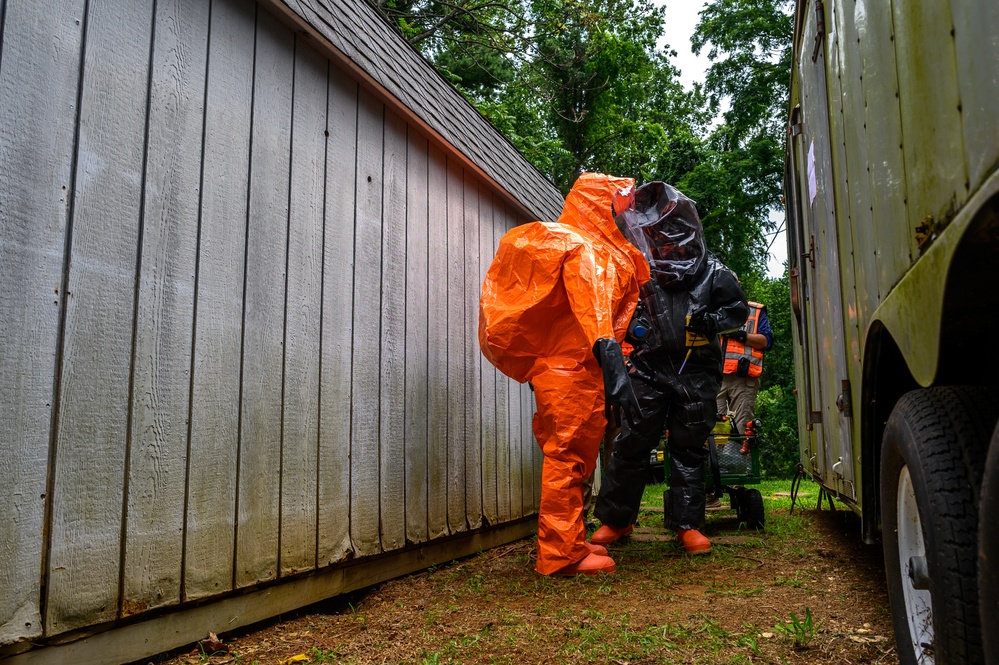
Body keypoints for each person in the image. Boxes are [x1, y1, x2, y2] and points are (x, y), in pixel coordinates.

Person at [479, 172, 650, 576]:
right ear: (600, 206)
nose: (626, 219)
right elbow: (593, 311)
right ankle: (560, 554)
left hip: (575, 368)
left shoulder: (590, 248)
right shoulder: (582, 248)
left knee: (576, 458)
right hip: (571, 369)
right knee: (567, 457)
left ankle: (569, 539)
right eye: (619, 209)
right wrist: (616, 370)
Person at [589, 181, 748, 555]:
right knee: (631, 443)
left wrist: (712, 320)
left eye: (670, 232)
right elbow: (619, 311)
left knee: (689, 448)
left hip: (696, 368)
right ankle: (617, 519)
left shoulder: (712, 270)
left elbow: (737, 311)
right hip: (649, 366)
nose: (665, 241)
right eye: (657, 234)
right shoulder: (639, 269)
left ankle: (688, 524)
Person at [716, 292, 773, 454]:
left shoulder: (754, 311)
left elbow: (766, 341)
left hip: (743, 379)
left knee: (742, 426)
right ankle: (717, 472)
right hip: (715, 378)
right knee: (716, 426)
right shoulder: (711, 309)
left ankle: (738, 473)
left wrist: (742, 336)